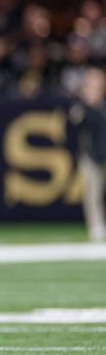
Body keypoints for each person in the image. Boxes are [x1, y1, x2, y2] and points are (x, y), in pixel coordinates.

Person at [69, 67, 106, 243]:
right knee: (93, 192)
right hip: (90, 155)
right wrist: (87, 104)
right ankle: (96, 226)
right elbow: (74, 123)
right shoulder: (81, 107)